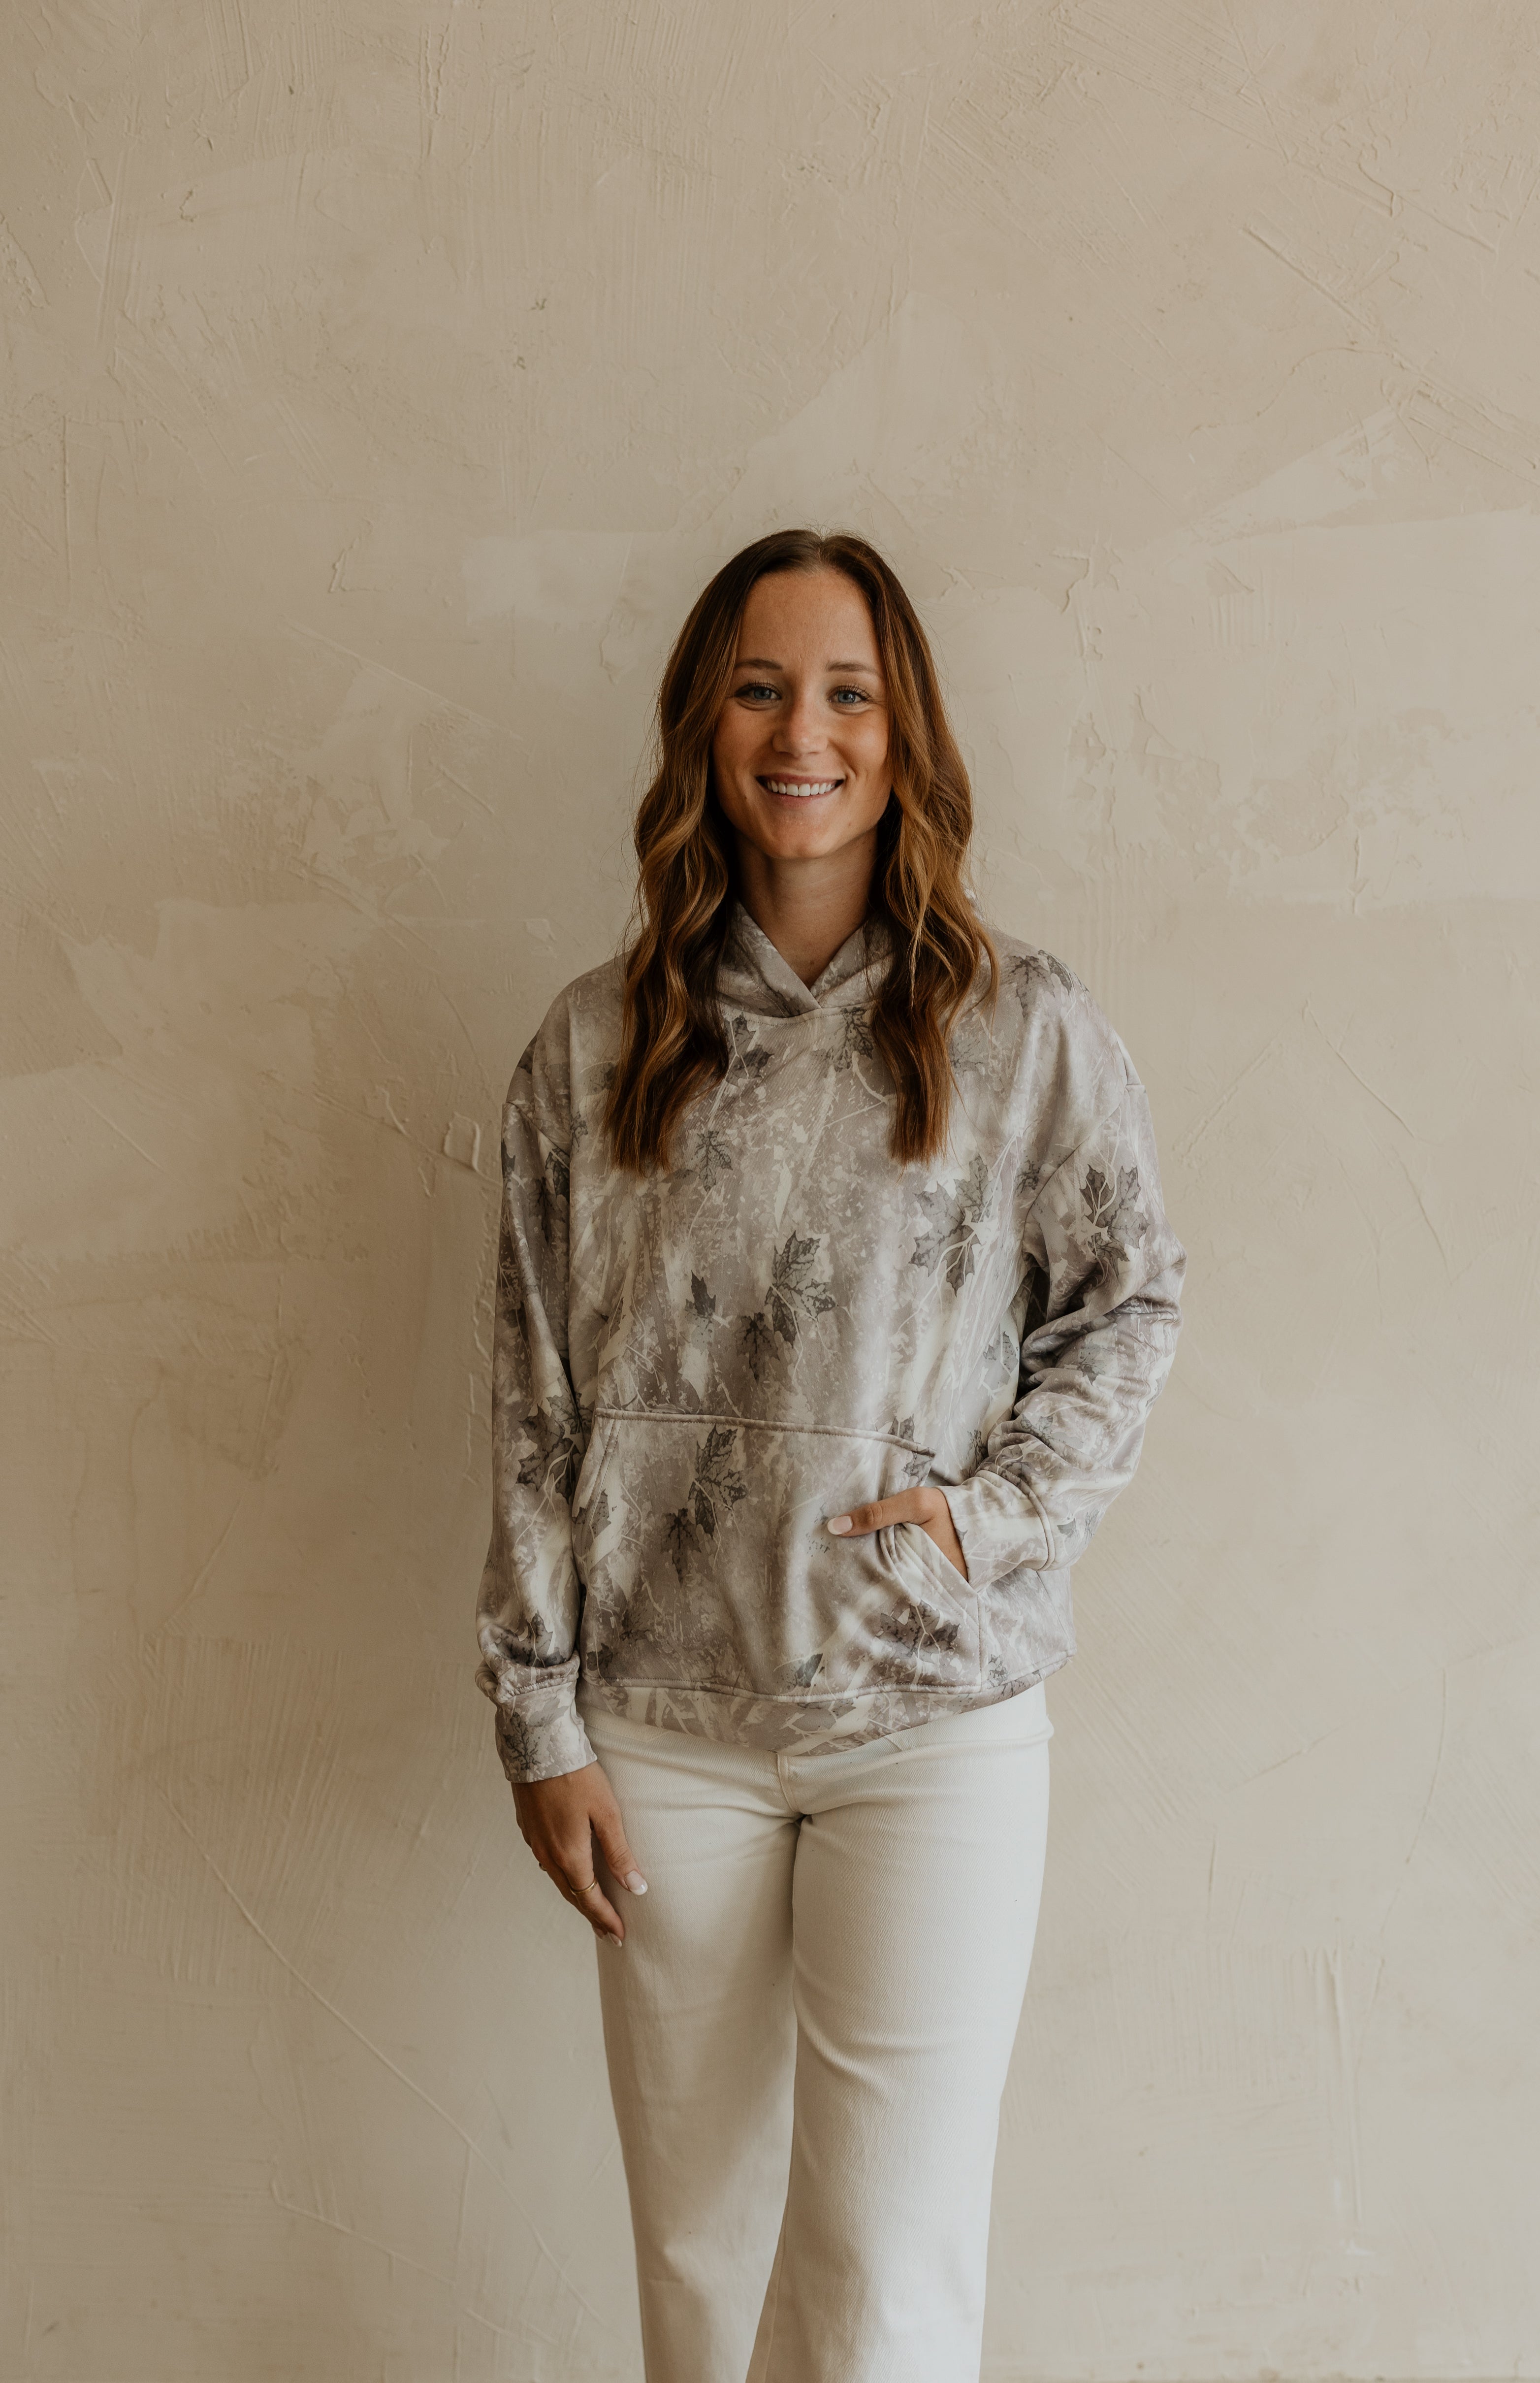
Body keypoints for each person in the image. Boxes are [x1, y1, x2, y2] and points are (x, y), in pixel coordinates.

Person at [475, 528, 1186, 2383]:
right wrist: (539, 1717)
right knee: (702, 2275)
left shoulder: (1020, 1028)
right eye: (762, 688)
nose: (805, 734)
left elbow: (1129, 1304)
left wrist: (988, 1520)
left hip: (928, 1723)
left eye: (849, 693)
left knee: (885, 2282)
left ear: (904, 730)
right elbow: (535, 1396)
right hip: (661, 1732)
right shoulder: (593, 1048)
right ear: (704, 724)